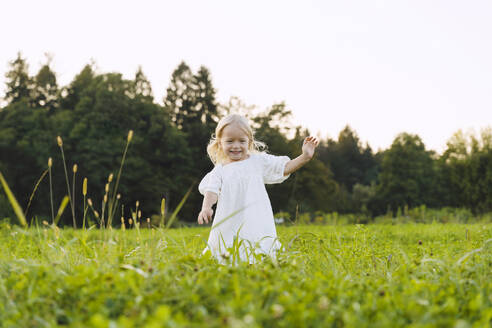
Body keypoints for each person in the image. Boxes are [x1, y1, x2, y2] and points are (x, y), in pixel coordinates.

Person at [197, 114, 319, 263]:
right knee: (226, 246)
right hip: (229, 217)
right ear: (220, 144)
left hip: (256, 216)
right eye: (229, 141)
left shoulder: (258, 161)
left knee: (257, 242)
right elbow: (212, 190)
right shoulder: (220, 170)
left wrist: (305, 156)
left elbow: (284, 168)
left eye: (241, 141)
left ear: (249, 142)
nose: (236, 146)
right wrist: (207, 207)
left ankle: (260, 261)